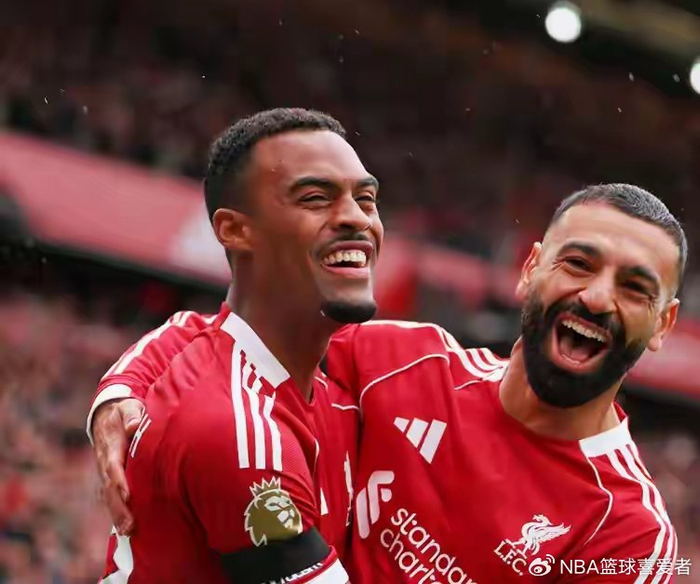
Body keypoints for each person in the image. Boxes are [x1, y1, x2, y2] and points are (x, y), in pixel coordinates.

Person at [91, 184, 684, 583]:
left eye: (635, 288)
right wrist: (122, 393)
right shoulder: (408, 362)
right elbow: (233, 332)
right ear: (530, 271)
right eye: (578, 264)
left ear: (662, 324)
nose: (597, 297)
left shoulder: (630, 536)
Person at [92, 107, 383, 583]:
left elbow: (195, 327)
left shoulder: (337, 377)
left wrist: (115, 390)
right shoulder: (238, 431)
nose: (356, 217)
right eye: (315, 198)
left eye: (366, 199)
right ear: (234, 230)